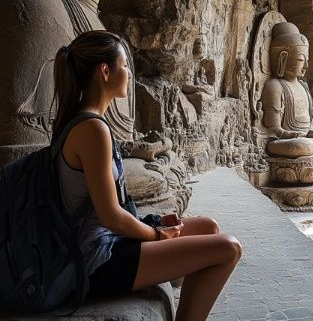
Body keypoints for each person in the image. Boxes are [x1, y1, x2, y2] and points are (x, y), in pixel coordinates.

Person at [52, 30, 242, 321]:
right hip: (96, 261)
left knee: (209, 227)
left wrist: (153, 226)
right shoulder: (92, 129)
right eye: (125, 65)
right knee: (229, 249)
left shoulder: (88, 121)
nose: (129, 73)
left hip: (107, 242)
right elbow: (110, 216)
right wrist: (155, 234)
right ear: (105, 71)